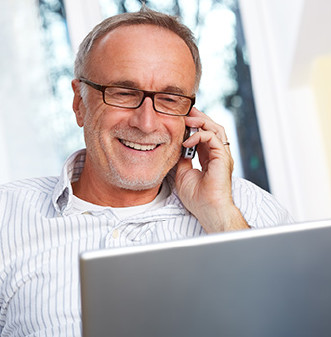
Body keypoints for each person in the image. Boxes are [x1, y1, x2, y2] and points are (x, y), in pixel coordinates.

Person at [0, 6, 293, 336]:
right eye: (124, 93)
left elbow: (304, 323)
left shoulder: (249, 211)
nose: (146, 122)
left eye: (170, 99)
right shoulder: (7, 218)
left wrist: (221, 217)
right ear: (79, 103)